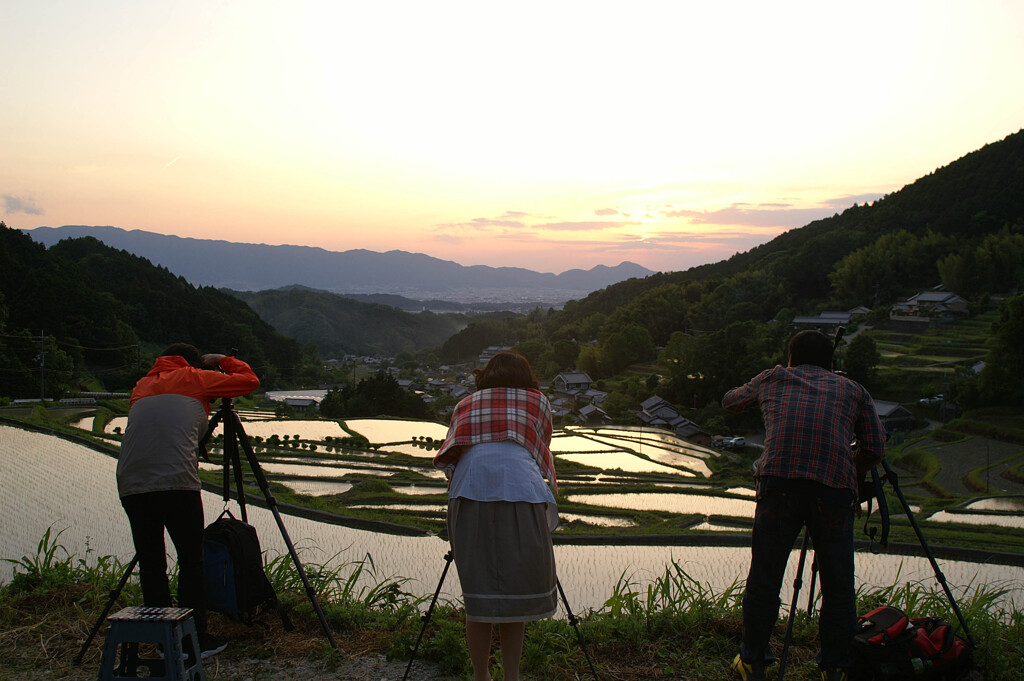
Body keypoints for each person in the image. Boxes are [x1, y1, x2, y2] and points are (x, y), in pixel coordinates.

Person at [722, 330, 887, 681]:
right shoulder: (854, 390)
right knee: (839, 584)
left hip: (778, 486)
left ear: (791, 358)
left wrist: (772, 380)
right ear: (832, 362)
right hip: (834, 492)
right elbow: (874, 447)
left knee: (765, 576)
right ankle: (836, 668)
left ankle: (752, 661)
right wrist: (849, 461)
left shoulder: (774, 377)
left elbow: (730, 401)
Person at [117, 343, 260, 659]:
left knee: (152, 562)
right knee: (191, 560)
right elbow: (249, 381)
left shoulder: (142, 385)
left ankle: (161, 639)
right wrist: (220, 360)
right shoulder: (196, 378)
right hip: (176, 482)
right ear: (194, 364)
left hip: (130, 482)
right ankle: (193, 640)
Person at [433, 351, 559, 681]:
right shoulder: (538, 401)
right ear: (527, 377)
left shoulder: (465, 404)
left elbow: (454, 453)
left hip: (469, 489)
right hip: (520, 488)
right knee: (514, 599)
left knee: (479, 598)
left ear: (484, 376)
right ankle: (512, 676)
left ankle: (481, 675)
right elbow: (539, 444)